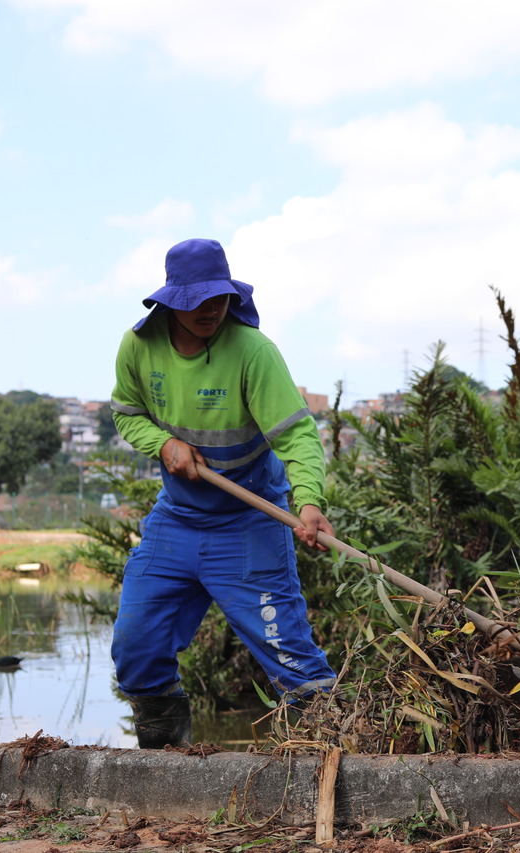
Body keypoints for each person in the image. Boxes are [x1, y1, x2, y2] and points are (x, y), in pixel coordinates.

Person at [109, 237, 338, 749]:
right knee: (136, 643)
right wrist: (164, 443)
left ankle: (340, 758)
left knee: (291, 657)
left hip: (249, 522)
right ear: (171, 300)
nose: (212, 310)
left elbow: (297, 436)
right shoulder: (138, 347)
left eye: (220, 298)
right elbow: (127, 414)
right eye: (198, 301)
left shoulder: (253, 352)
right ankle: (164, 766)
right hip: (178, 521)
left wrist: (308, 502)